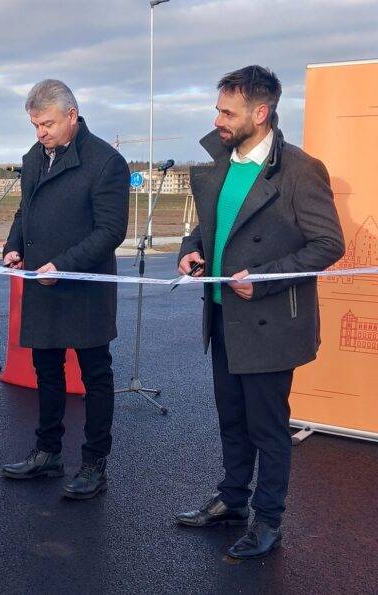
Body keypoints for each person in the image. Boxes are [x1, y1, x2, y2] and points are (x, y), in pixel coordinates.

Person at [175, 65, 345, 559]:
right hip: (223, 316)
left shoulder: (300, 169)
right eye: (218, 110)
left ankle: (267, 520)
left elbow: (328, 243)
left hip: (271, 323)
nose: (218, 120)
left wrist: (267, 278)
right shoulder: (220, 162)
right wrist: (190, 249)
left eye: (228, 113)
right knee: (231, 418)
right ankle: (232, 501)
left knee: (267, 429)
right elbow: (210, 227)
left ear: (261, 113)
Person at [1, 80, 129, 499]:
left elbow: (111, 230)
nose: (41, 133)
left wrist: (64, 266)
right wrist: (14, 247)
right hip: (43, 284)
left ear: (72, 115)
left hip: (84, 288)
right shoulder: (34, 158)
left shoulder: (106, 162)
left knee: (96, 376)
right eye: (35, 125)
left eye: (48, 124)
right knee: (47, 371)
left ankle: (94, 464)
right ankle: (48, 452)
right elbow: (25, 210)